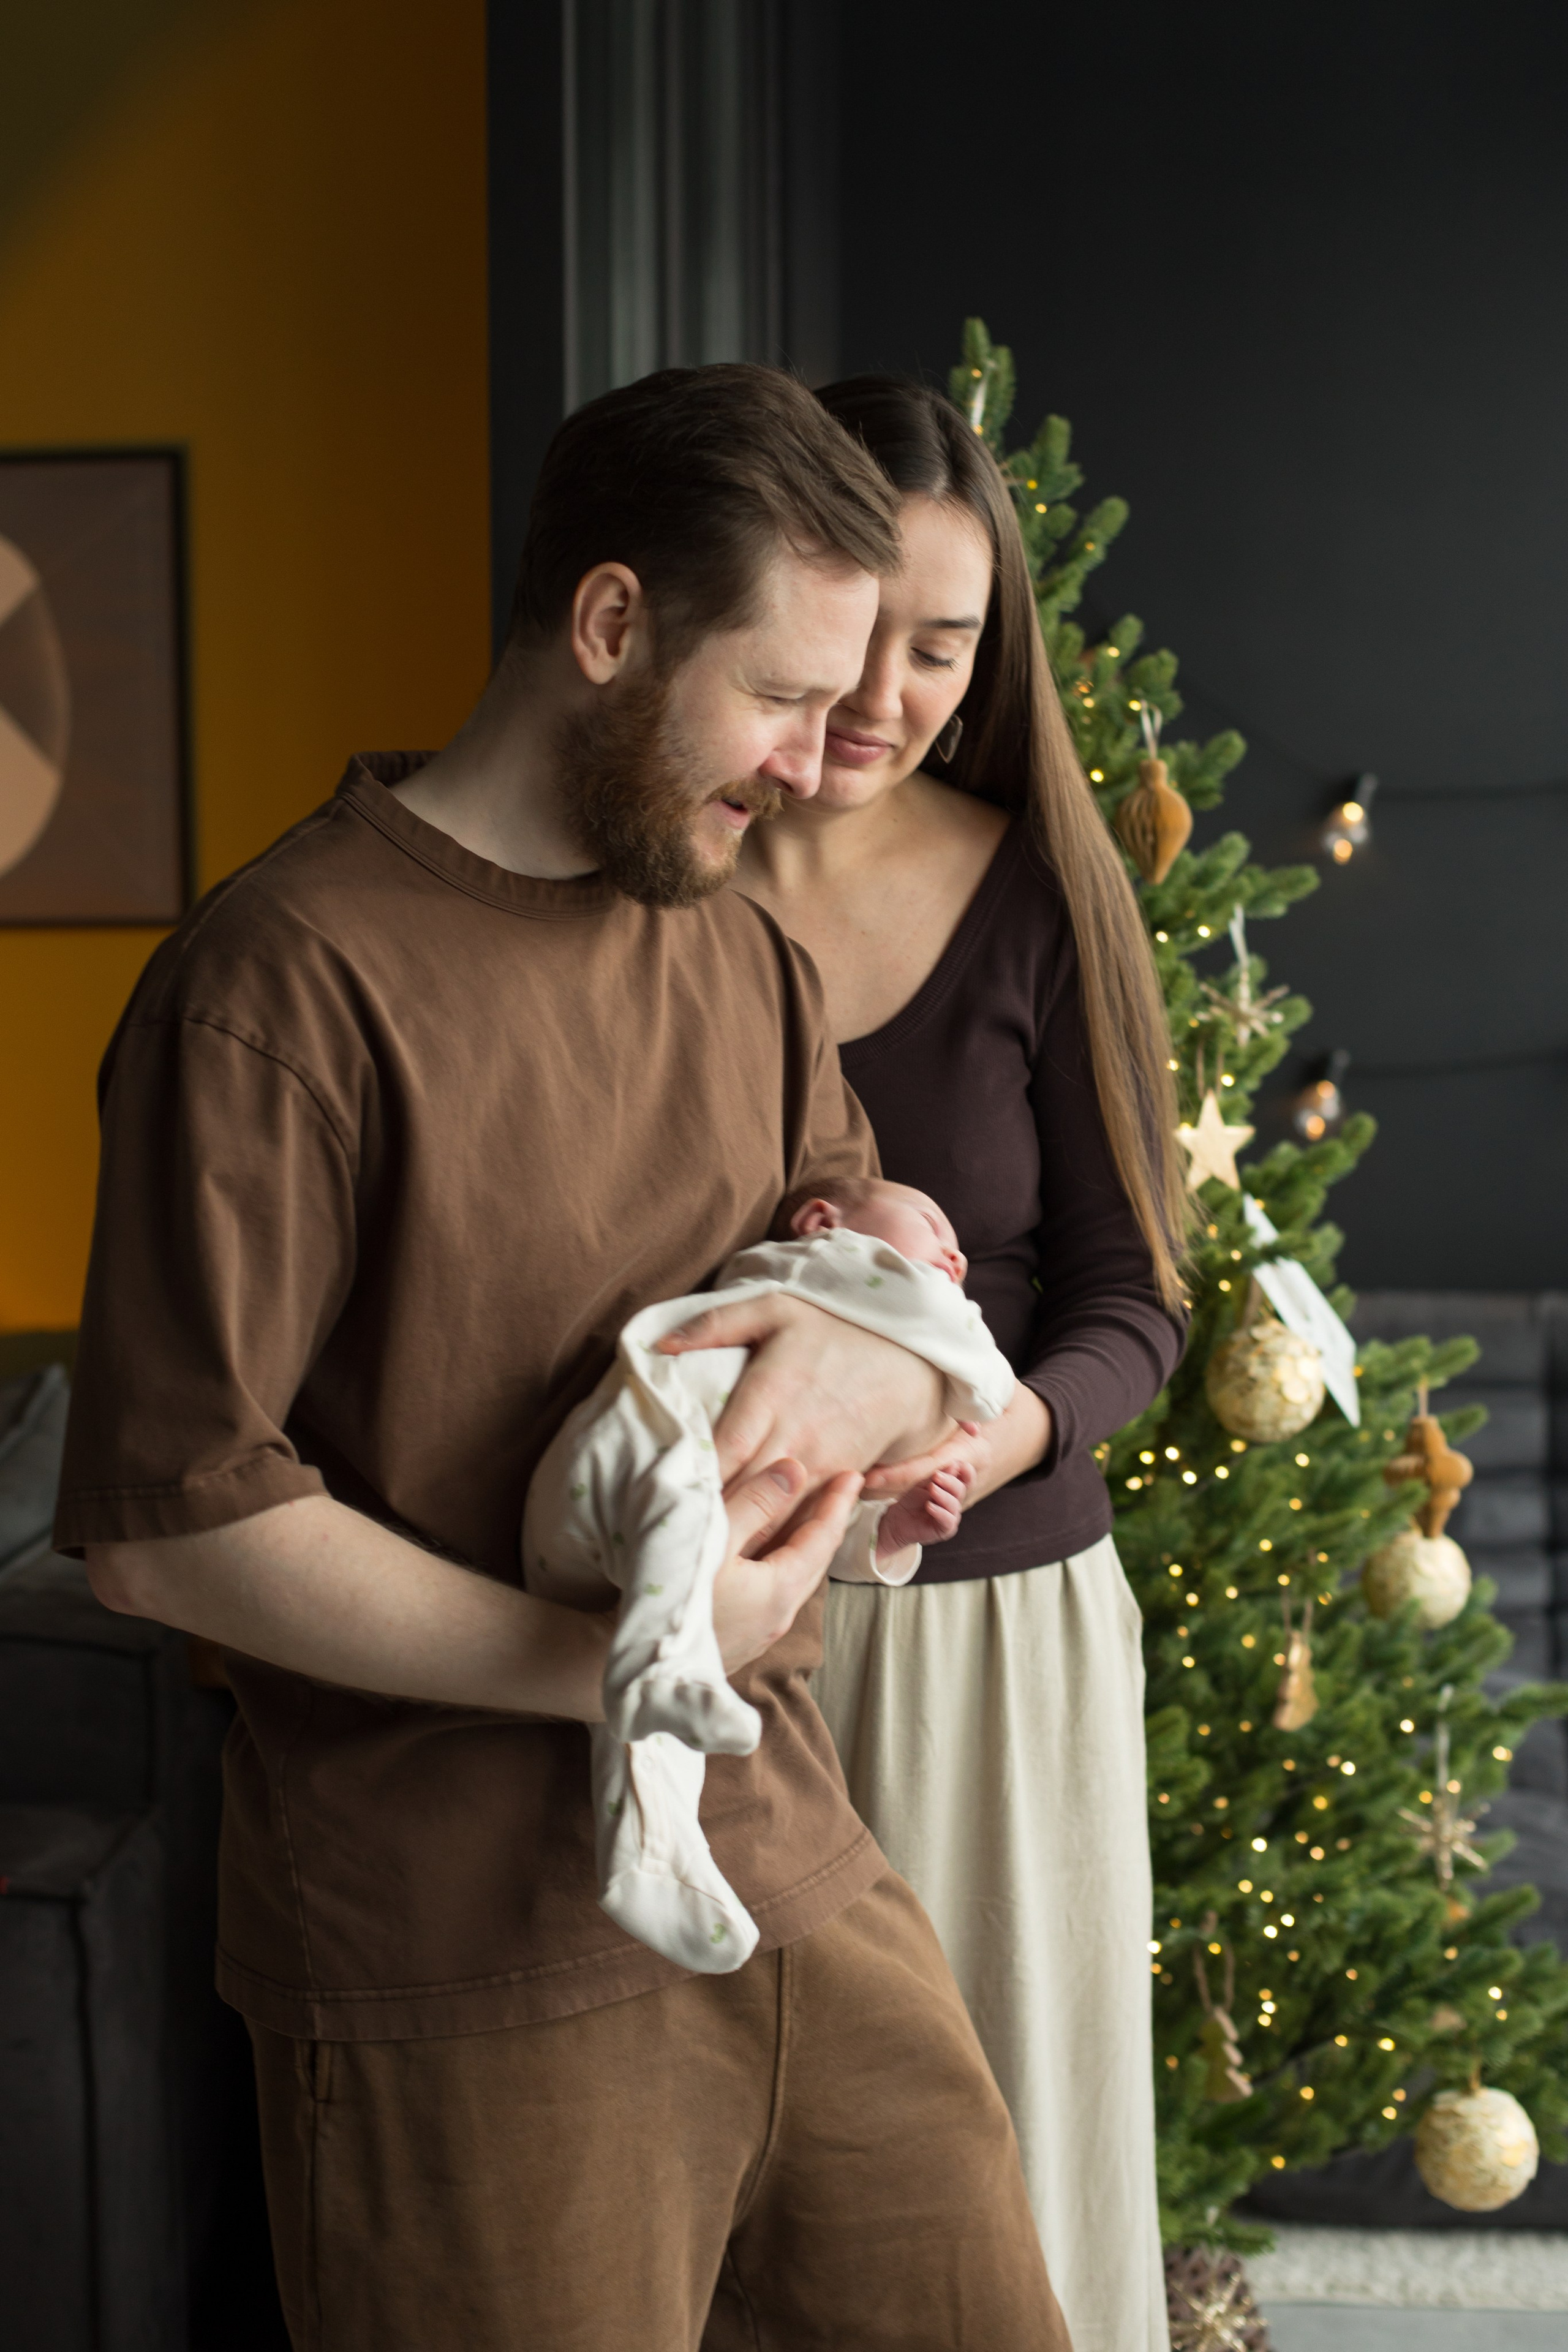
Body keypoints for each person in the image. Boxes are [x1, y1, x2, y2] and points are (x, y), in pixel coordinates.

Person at [56, 365, 1072, 2352]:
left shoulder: (739, 955)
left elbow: (866, 1278)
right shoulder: (283, 985)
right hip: (454, 1946)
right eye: (782, 696)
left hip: (793, 1861)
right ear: (612, 628)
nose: (817, 762)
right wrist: (614, 1667)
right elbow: (171, 1532)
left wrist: (892, 1376)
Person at [734, 374, 1188, 2352]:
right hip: (729, 1646)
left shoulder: (1041, 891)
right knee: (753, 2195)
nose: (889, 690)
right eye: (861, 630)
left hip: (997, 1640)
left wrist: (1005, 1429)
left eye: (947, 643)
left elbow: (1135, 1303)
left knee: (1013, 2163)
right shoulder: (659, 891)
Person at [523, 1173, 1011, 1975]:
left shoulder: (854, 1329)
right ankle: (656, 1671)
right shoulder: (839, 1269)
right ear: (824, 1220)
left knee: (649, 1714)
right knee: (678, 1585)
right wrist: (960, 1422)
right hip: (638, 1451)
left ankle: (654, 1862)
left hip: (632, 1532)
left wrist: (892, 1526)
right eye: (932, 1222)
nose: (956, 1255)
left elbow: (825, 1506)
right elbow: (984, 1383)